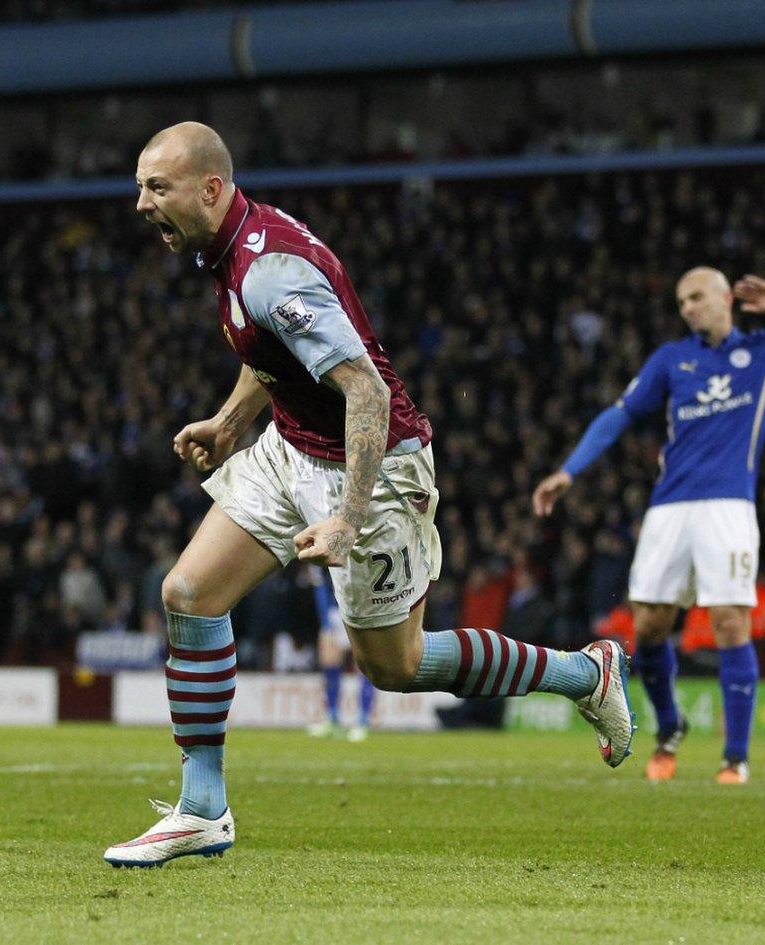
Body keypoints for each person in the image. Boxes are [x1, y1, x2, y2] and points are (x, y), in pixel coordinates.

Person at [106, 122, 635, 867]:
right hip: (293, 447)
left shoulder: (268, 271)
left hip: (377, 467)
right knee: (190, 593)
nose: (140, 203)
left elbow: (367, 390)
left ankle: (584, 672)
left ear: (211, 189)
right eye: (140, 186)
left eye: (155, 187)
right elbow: (278, 353)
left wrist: (348, 517)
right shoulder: (234, 248)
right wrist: (230, 422)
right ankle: (202, 808)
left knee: (394, 665)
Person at [532, 266, 765, 784]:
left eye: (696, 297)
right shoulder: (672, 359)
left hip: (729, 507)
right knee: (647, 626)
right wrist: (568, 470)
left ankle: (734, 757)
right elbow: (619, 415)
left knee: (730, 624)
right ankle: (670, 726)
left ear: (726, 297)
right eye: (681, 301)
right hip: (669, 507)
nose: (688, 307)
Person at [304, 565, 376, 741]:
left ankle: (362, 721)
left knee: (365, 667)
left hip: (360, 610)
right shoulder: (319, 547)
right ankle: (332, 717)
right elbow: (319, 585)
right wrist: (326, 622)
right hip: (333, 612)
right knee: (330, 664)